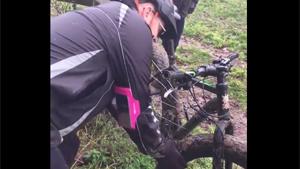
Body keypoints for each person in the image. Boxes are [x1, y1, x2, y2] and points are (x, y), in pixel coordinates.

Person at [50, 0, 187, 169]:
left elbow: (125, 107)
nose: (154, 38)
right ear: (147, 11)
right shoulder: (132, 25)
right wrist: (163, 150)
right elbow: (137, 103)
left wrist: (151, 143)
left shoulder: (110, 19)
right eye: (160, 30)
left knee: (67, 146)